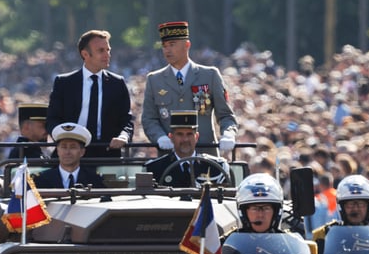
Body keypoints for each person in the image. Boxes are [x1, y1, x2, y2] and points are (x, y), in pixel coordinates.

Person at [142, 21, 238, 154]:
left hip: (205, 155)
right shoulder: (154, 80)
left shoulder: (209, 75)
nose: (167, 50)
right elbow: (149, 119)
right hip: (170, 157)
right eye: (164, 46)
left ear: (187, 45)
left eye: (172, 45)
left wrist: (228, 134)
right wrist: (160, 137)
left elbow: (226, 115)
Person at [45, 30, 133, 158]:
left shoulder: (117, 83)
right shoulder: (64, 83)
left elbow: (126, 121)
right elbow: (52, 119)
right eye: (101, 50)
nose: (107, 54)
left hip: (107, 153)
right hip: (71, 153)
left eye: (108, 50)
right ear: (85, 54)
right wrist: (64, 139)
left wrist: (123, 137)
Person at [145, 110, 230, 188]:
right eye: (180, 134)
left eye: (189, 134)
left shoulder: (216, 167)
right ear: (171, 137)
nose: (185, 139)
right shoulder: (155, 169)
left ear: (196, 137)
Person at [32, 123, 105, 189]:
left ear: (82, 152)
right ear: (57, 150)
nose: (67, 152)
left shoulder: (94, 178)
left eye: (73, 147)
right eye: (64, 147)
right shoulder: (42, 179)